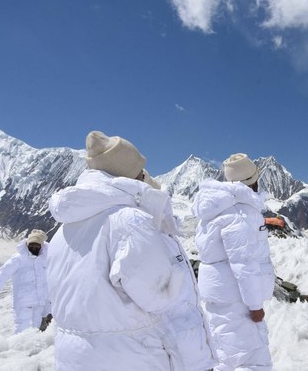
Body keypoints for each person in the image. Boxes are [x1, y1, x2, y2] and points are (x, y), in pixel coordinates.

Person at [46, 130, 215, 370]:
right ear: (127, 173)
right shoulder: (129, 221)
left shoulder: (62, 232)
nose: (144, 175)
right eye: (139, 170)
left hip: (76, 360)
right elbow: (160, 296)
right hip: (133, 356)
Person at [192, 153, 275, 371]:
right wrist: (255, 306)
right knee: (251, 361)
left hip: (222, 297)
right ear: (251, 181)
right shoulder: (240, 214)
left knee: (226, 357)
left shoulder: (217, 210)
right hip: (238, 301)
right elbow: (244, 265)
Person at [0, 229, 52, 333]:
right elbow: (2, 274)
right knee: (22, 330)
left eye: (37, 245)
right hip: (23, 303)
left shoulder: (44, 260)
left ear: (41, 246)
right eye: (32, 244)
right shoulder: (18, 259)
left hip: (39, 304)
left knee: (35, 331)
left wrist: (48, 305)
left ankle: (30, 349)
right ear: (27, 244)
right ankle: (16, 348)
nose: (34, 247)